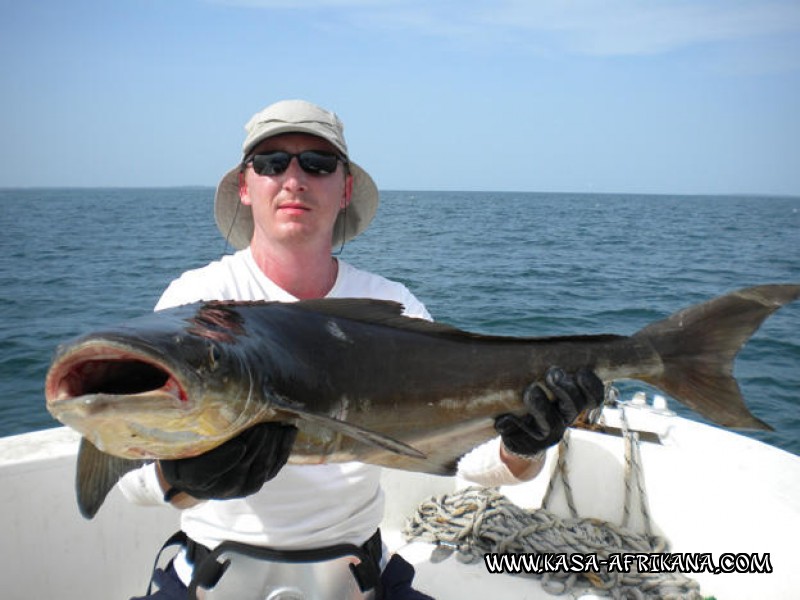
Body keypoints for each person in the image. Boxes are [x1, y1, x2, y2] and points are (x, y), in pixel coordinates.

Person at [118, 99, 603, 599]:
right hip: (211, 578)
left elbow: (456, 457)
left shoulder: (395, 308)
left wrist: (522, 449)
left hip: (358, 578)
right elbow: (129, 474)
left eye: (317, 163)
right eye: (270, 163)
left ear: (345, 187)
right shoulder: (190, 305)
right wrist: (178, 474)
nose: (294, 179)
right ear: (245, 185)